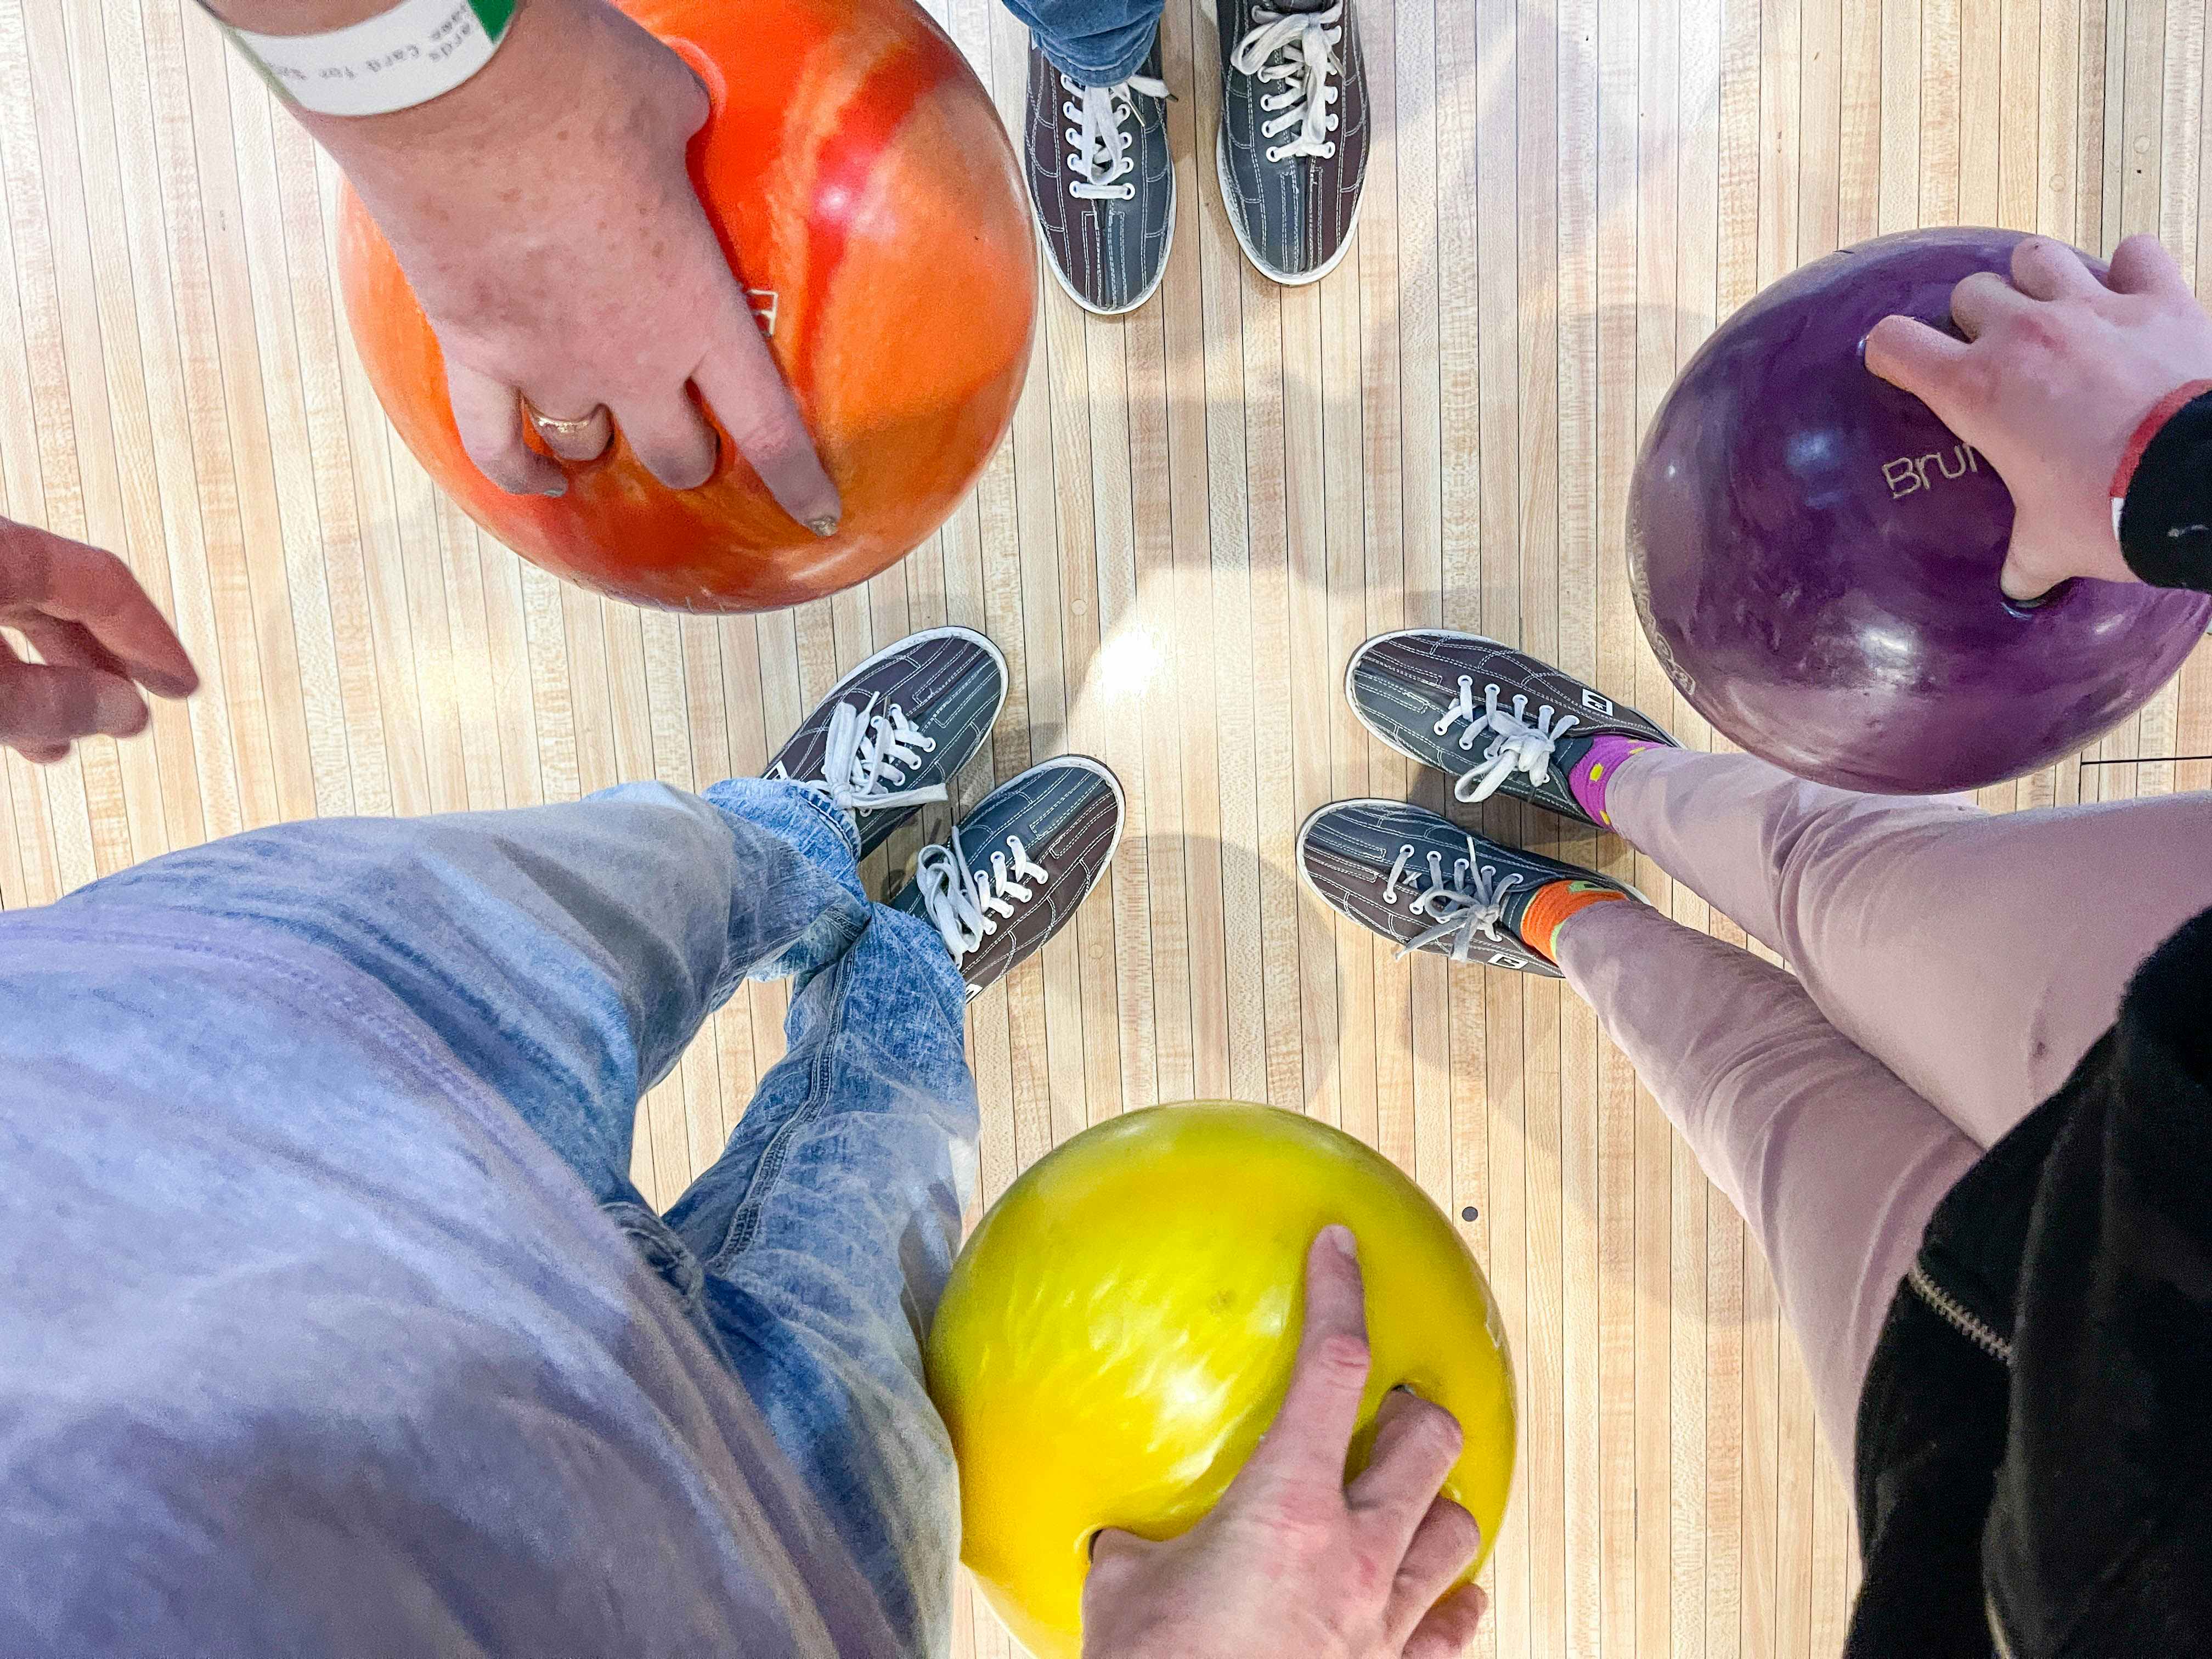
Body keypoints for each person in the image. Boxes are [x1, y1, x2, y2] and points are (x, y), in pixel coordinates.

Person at [1303, 234, 2212, 1657]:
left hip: (1983, 1529)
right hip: (2185, 1046)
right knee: (1838, 878)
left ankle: (1556, 914)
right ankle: (1608, 772)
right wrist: (2176, 469)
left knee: (1749, 1095)